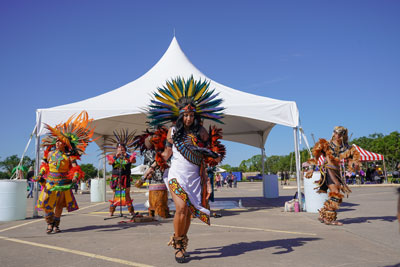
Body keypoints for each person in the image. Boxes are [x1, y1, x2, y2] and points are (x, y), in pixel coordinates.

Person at [144, 76, 225, 263]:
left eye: (191, 115)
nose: (188, 118)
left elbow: (211, 153)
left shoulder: (201, 132)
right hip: (176, 175)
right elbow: (166, 154)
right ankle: (178, 245)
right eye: (185, 115)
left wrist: (216, 156)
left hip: (194, 178)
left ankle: (181, 239)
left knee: (187, 213)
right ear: (180, 115)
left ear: (195, 116)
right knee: (180, 208)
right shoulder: (173, 131)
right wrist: (152, 167)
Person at [34, 111, 95, 234]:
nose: (57, 143)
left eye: (60, 141)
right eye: (56, 141)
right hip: (50, 182)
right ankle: (49, 222)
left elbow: (75, 168)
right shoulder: (50, 154)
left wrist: (75, 176)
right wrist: (41, 173)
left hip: (63, 183)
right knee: (46, 203)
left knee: (59, 205)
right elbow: (45, 165)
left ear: (65, 143)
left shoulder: (69, 156)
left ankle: (55, 225)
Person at [305, 126, 360, 226]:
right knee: (336, 193)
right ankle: (330, 219)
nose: (337, 135)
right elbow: (315, 157)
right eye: (336, 132)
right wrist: (311, 169)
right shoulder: (326, 144)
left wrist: (354, 165)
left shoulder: (346, 147)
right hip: (328, 170)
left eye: (340, 133)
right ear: (333, 133)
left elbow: (353, 159)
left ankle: (323, 214)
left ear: (343, 135)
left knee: (336, 193)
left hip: (337, 172)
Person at [134, 126, 171, 218]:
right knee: (155, 200)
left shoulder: (163, 151)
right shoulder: (149, 153)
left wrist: (146, 175)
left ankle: (162, 212)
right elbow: (149, 166)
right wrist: (147, 174)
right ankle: (157, 212)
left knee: (162, 199)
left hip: (162, 178)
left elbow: (162, 162)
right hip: (154, 179)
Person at [103, 129, 137, 217]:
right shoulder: (112, 157)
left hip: (126, 177)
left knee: (127, 194)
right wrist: (116, 156)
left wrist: (127, 156)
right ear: (116, 149)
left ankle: (131, 211)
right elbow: (110, 163)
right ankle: (111, 211)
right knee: (115, 194)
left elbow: (133, 161)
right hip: (116, 178)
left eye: (122, 149)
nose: (121, 150)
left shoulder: (129, 157)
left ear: (125, 149)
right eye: (119, 148)